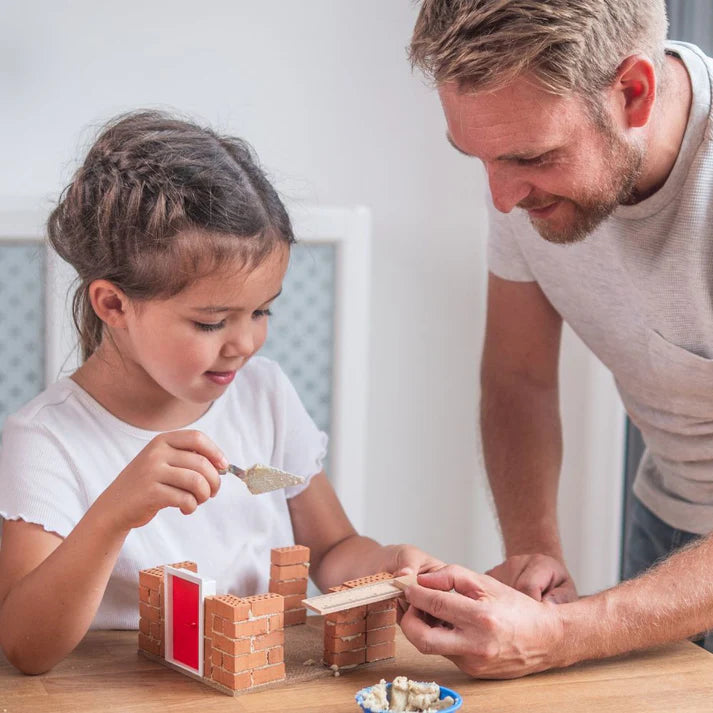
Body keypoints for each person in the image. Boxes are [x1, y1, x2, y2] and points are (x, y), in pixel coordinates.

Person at [0, 111, 442, 675]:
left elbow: (332, 551)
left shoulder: (266, 395)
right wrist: (114, 515)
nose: (244, 343)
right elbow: (25, 647)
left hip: (257, 678)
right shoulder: (47, 439)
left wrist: (388, 564)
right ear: (113, 305)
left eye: (261, 311)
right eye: (211, 323)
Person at [398, 0, 713, 678]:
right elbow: (517, 378)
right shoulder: (518, 167)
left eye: (530, 157)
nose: (503, 197)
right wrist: (535, 562)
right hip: (665, 519)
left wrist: (562, 633)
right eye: (477, 158)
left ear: (632, 92)